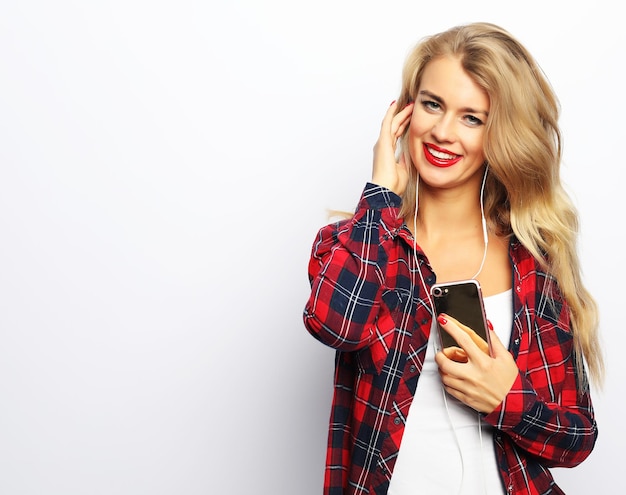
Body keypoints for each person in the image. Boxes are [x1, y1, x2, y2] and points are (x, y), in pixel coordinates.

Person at [303, 22, 603, 495]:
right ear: (404, 112)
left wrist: (506, 399)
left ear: (501, 133)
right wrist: (380, 195)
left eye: (472, 117)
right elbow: (335, 326)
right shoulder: (356, 241)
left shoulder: (533, 261)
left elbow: (577, 440)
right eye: (432, 104)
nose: (442, 132)